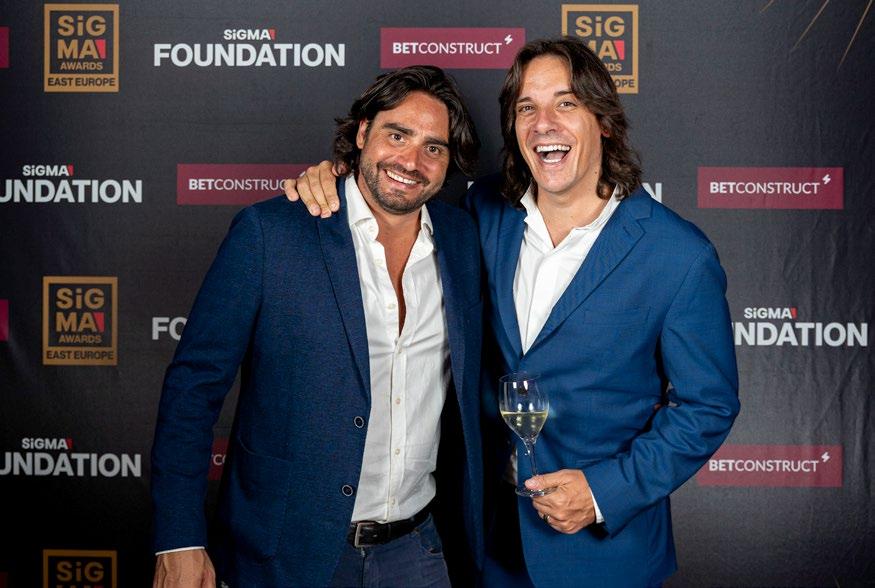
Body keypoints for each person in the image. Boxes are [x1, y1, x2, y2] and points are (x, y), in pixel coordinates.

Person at [285, 38, 739, 587]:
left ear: (605, 121)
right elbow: (390, 194)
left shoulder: (679, 254)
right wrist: (334, 179)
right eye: (527, 107)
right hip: (485, 542)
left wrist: (604, 492)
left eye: (566, 103)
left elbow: (707, 406)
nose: (544, 123)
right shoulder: (482, 213)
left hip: (603, 555)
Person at [151, 65, 485, 587]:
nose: (411, 161)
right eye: (397, 135)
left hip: (417, 551)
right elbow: (193, 389)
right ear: (362, 133)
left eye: (433, 147)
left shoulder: (463, 239)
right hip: (286, 553)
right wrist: (179, 538)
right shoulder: (271, 233)